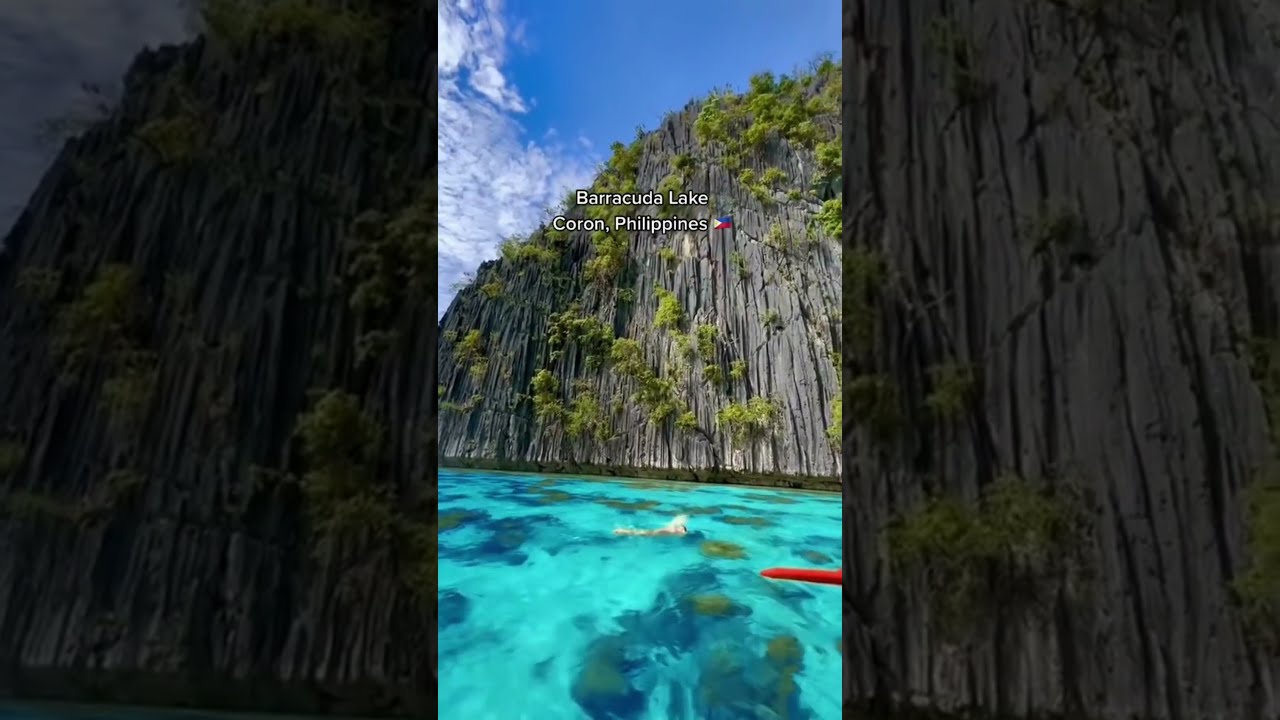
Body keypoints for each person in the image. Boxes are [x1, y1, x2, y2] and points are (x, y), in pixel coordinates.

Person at [614, 514, 689, 537]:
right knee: (638, 533)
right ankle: (621, 531)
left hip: (654, 533)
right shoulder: (673, 530)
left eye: (682, 528)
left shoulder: (674, 529)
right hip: (653, 533)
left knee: (638, 532)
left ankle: (622, 531)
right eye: (682, 528)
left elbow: (682, 531)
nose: (681, 528)